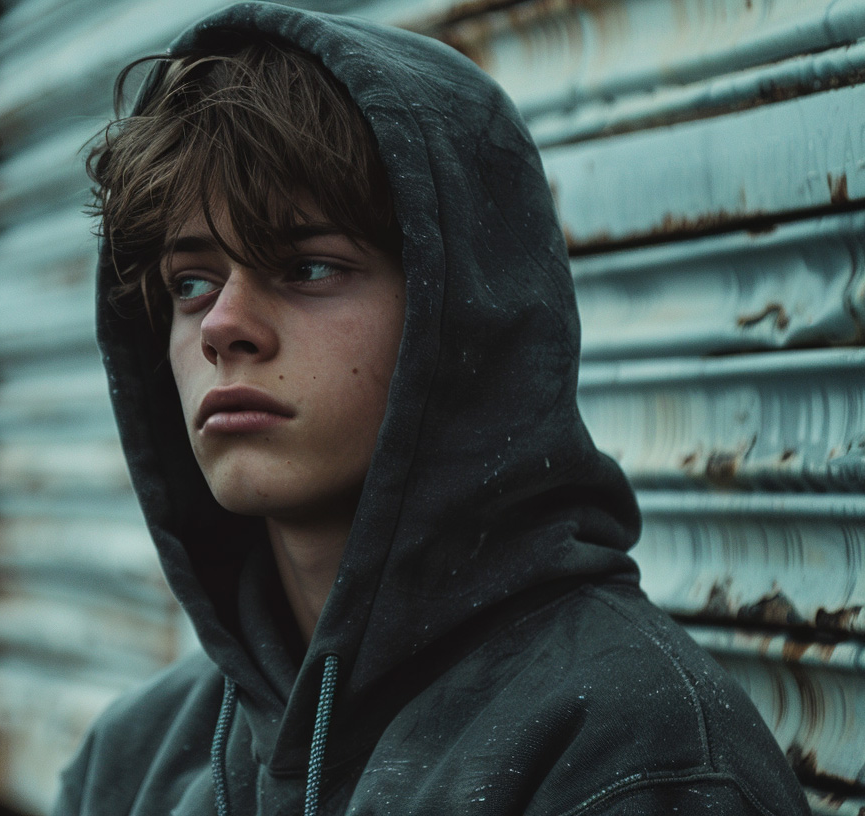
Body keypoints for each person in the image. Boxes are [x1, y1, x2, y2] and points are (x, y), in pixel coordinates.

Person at [60, 3, 811, 815]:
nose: (223, 327)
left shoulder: (629, 757)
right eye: (191, 283)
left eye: (309, 267)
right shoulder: (132, 760)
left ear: (458, 317)